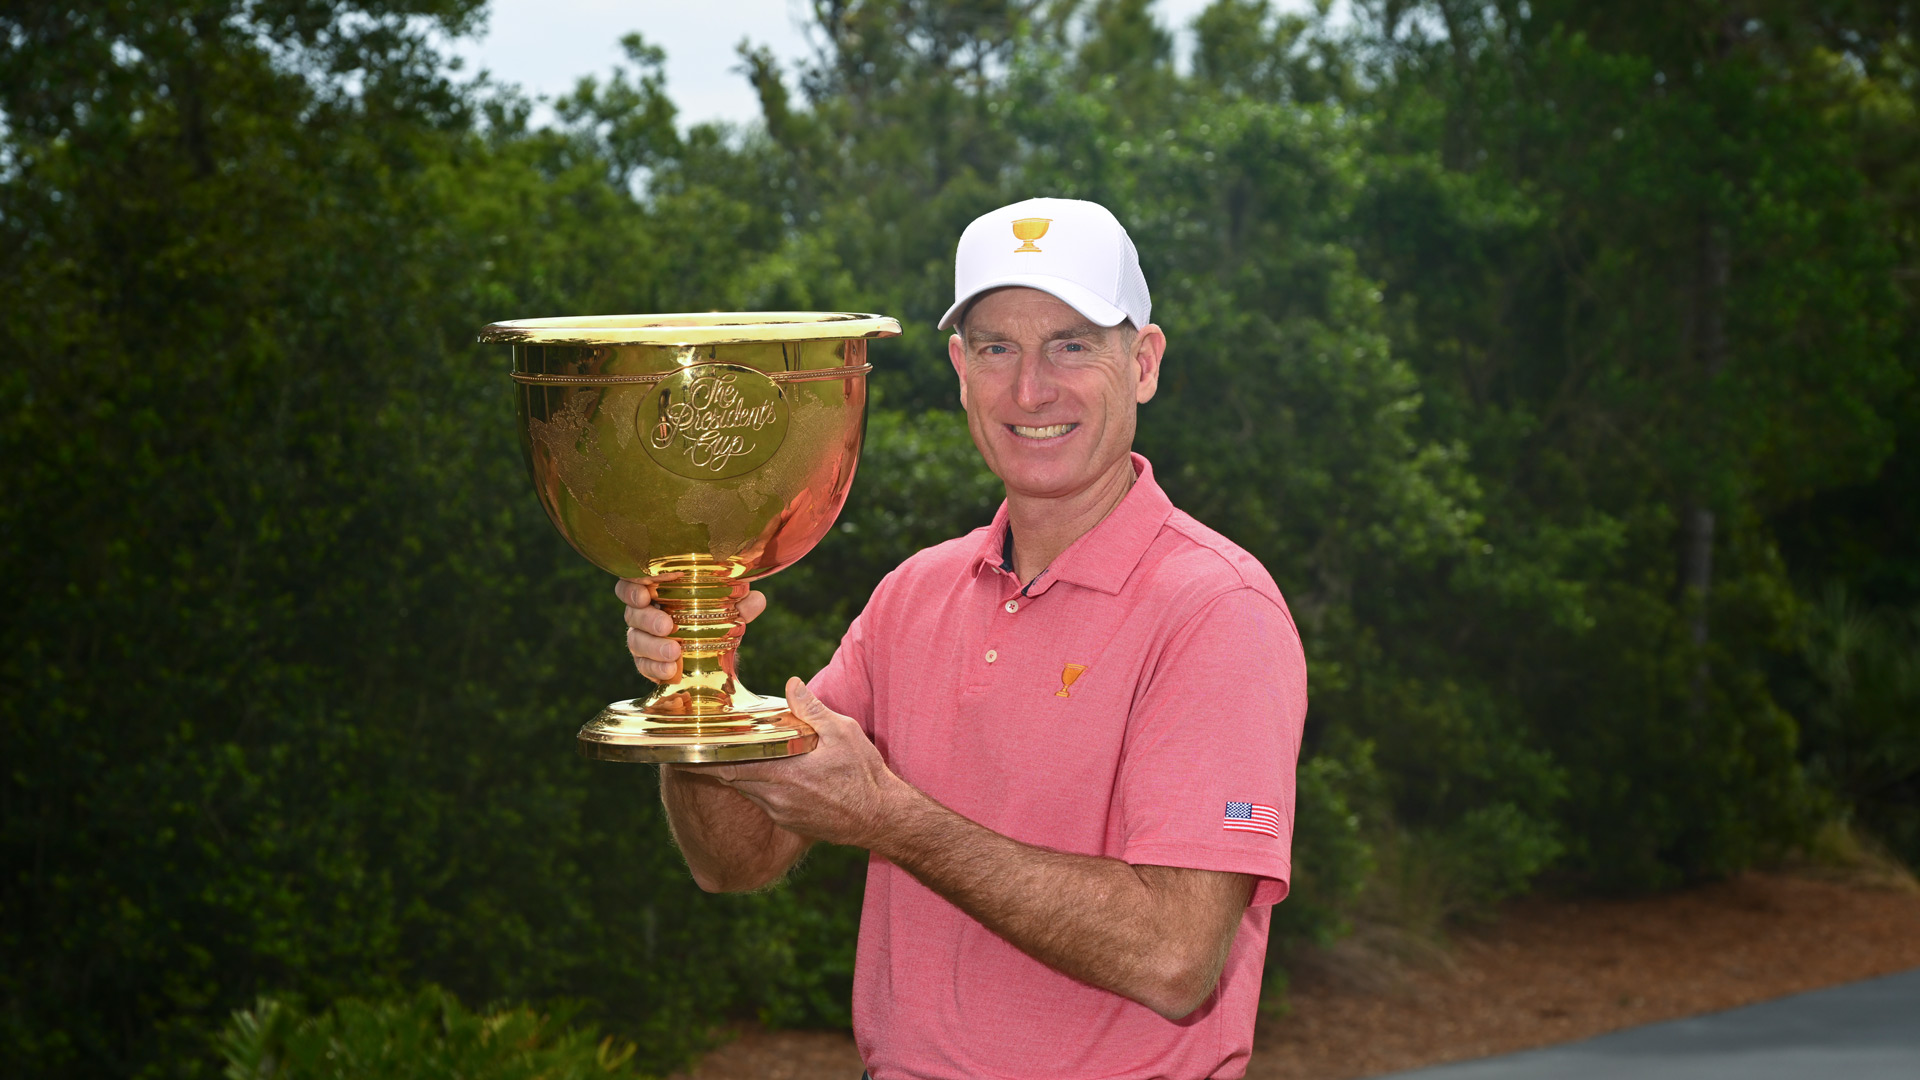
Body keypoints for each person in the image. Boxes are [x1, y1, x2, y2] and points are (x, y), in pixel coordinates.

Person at [617, 197, 1308, 1079]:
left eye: (1071, 343)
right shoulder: (915, 594)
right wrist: (697, 686)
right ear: (958, 369)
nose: (1031, 388)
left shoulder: (1218, 610)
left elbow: (1172, 958)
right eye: (996, 347)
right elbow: (735, 858)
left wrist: (893, 820)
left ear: (1143, 363)